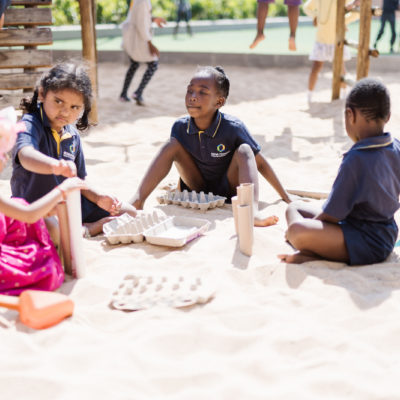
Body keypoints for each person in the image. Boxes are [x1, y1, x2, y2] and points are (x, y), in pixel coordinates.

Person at [130, 66, 291, 227]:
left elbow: (259, 162)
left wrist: (285, 196)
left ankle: (252, 212)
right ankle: (138, 200)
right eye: (190, 91)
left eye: (202, 92)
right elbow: (179, 163)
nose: (193, 97)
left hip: (229, 190)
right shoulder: (180, 127)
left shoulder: (233, 127)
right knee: (171, 145)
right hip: (198, 189)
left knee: (245, 149)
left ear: (219, 102)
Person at [279, 78, 400, 265]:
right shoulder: (395, 147)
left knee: (297, 230)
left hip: (366, 242)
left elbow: (331, 216)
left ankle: (313, 251)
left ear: (350, 115)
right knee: (294, 207)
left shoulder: (356, 159)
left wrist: (312, 227)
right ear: (388, 116)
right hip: (387, 233)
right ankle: (315, 249)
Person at [11, 62, 136, 237]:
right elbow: (26, 155)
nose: (65, 112)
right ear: (42, 94)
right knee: (52, 228)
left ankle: (78, 226)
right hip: (37, 208)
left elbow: (79, 180)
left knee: (129, 213)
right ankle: (88, 229)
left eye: (74, 107)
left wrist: (98, 197)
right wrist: (55, 166)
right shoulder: (30, 124)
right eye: (58, 101)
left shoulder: (72, 135)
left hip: (70, 205)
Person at [0, 107, 87, 295]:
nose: (5, 159)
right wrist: (62, 190)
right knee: (45, 269)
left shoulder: (73, 136)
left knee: (31, 212)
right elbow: (29, 215)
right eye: (3, 154)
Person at [304, 0, 359, 103]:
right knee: (316, 67)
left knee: (340, 68)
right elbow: (306, 7)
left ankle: (344, 93)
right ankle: (309, 94)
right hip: (321, 39)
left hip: (337, 40)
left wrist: (344, 21)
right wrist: (315, 16)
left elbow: (355, 13)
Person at [119, 0, 166, 105]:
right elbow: (141, 25)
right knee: (153, 64)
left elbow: (140, 17)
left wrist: (154, 19)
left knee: (134, 64)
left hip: (134, 38)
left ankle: (123, 94)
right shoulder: (143, 2)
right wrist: (150, 44)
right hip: (139, 39)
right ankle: (138, 93)